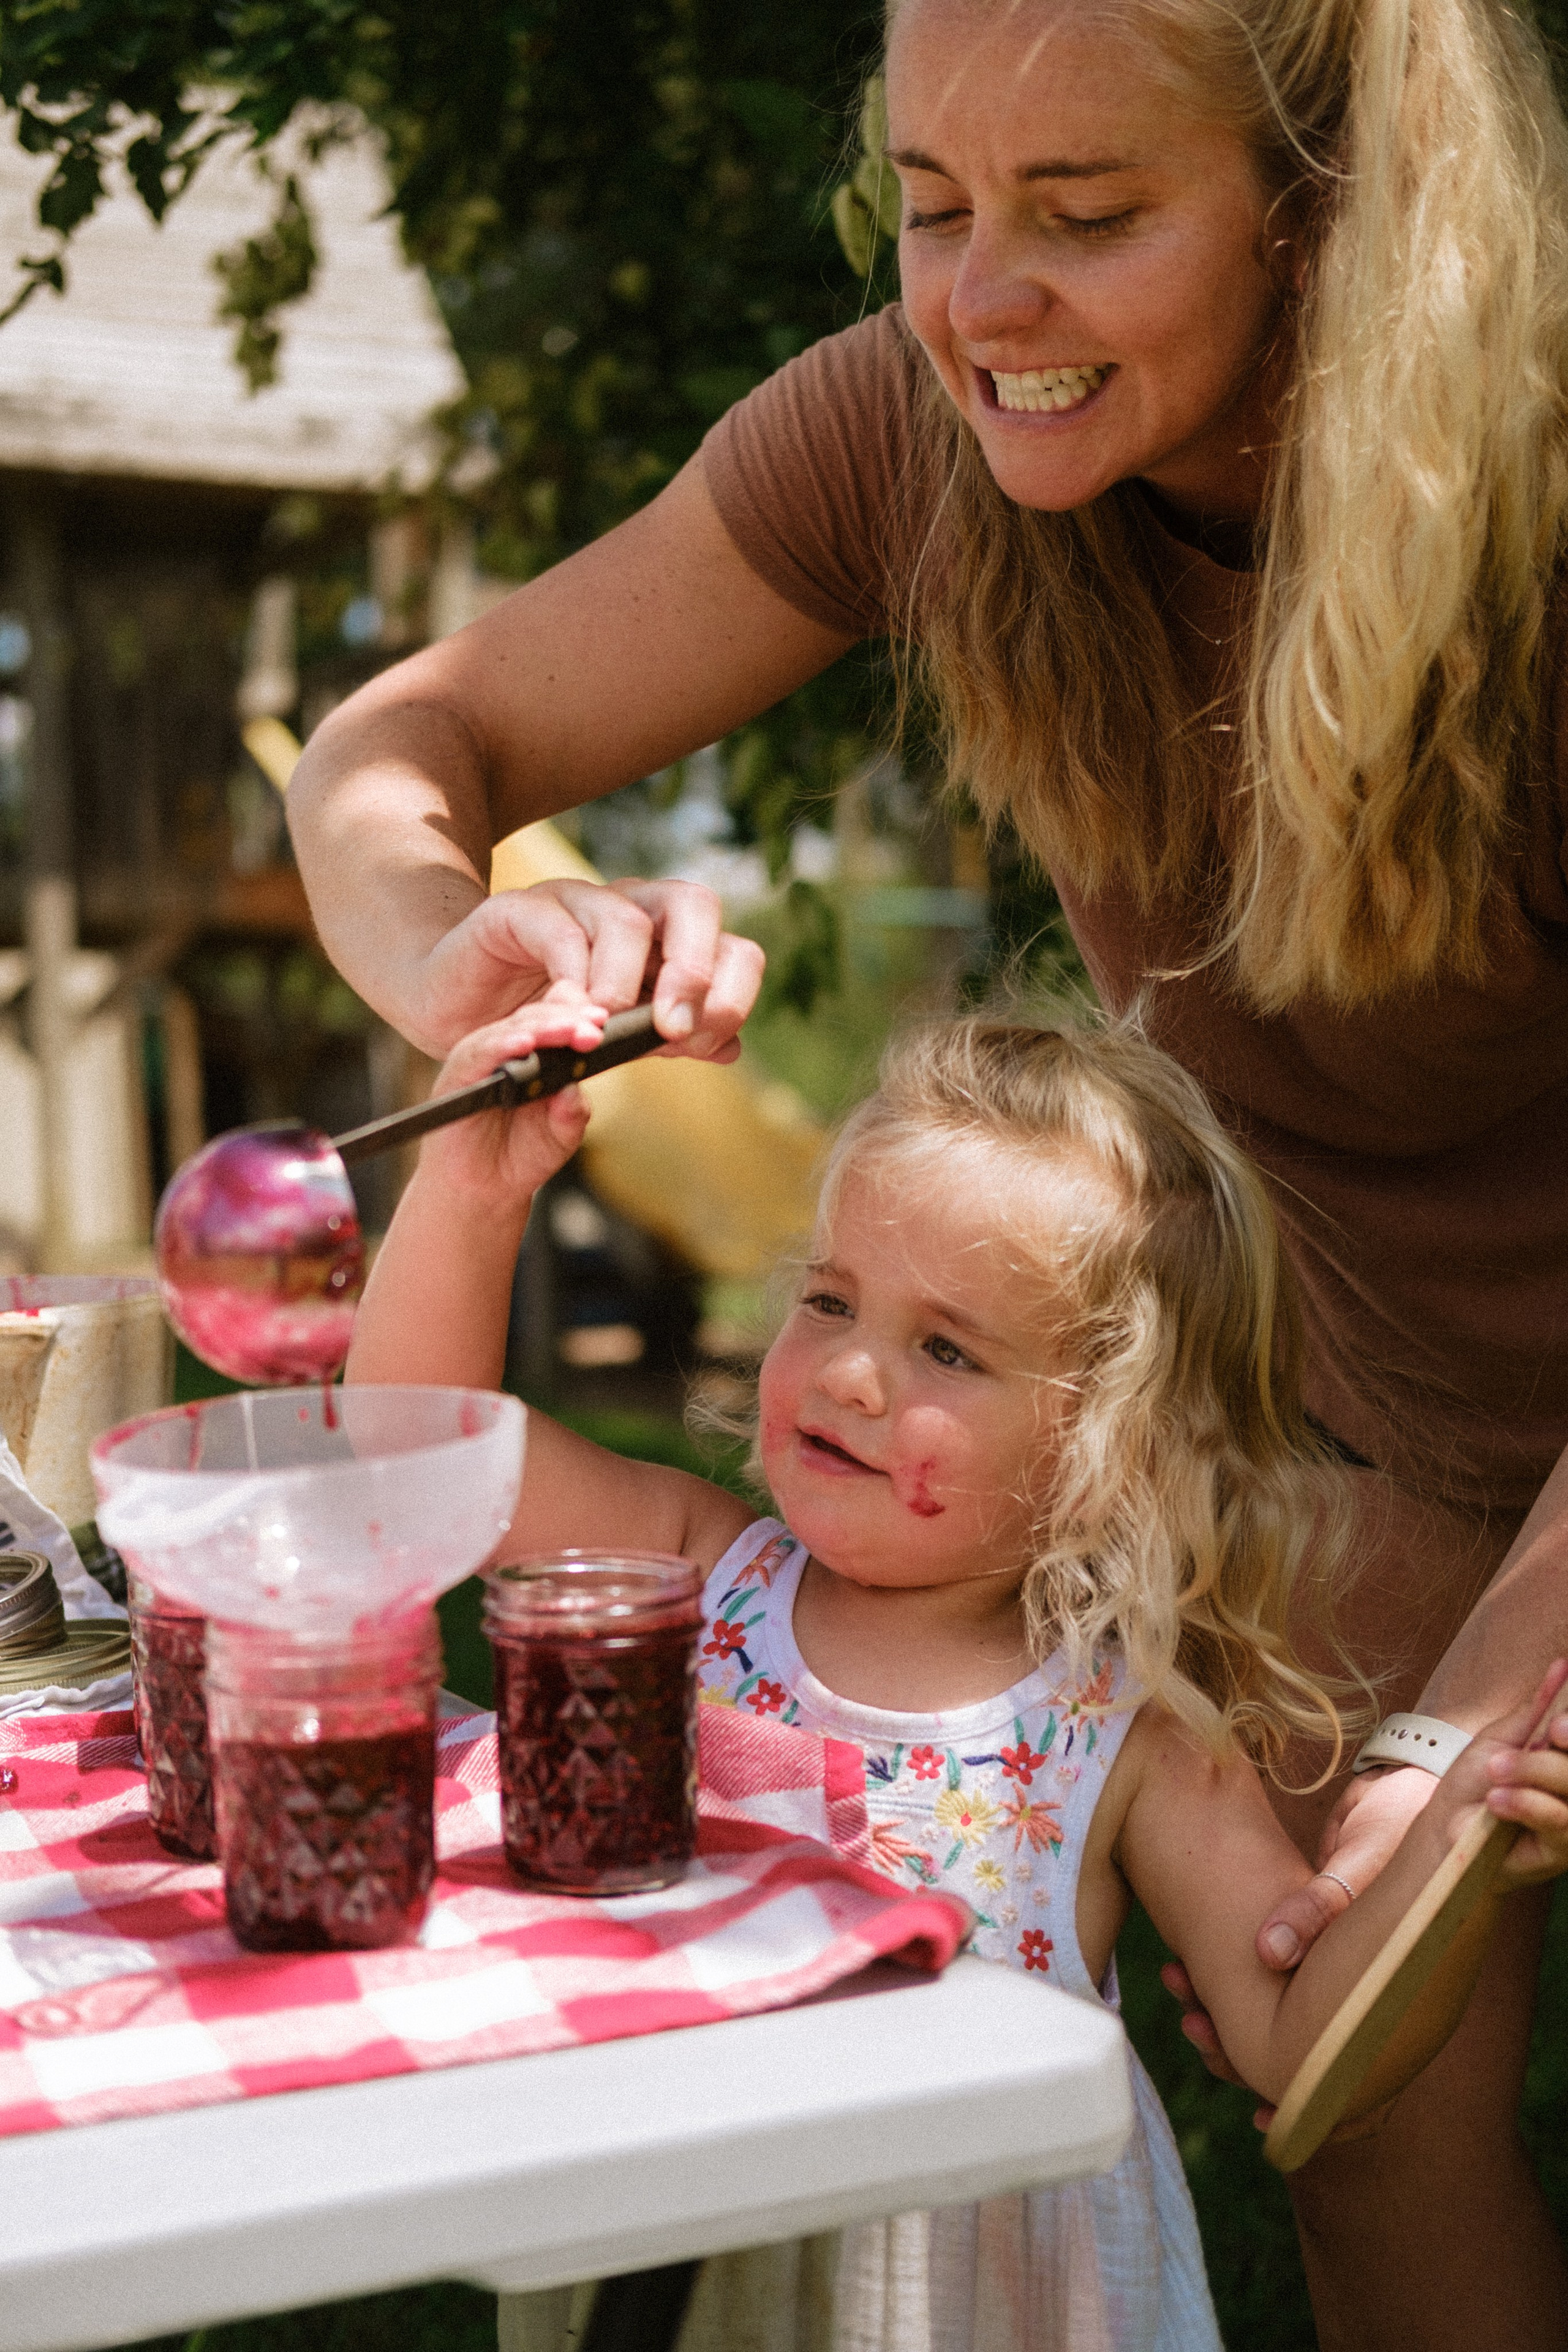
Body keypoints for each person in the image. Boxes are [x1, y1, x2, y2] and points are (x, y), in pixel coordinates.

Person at [286, 2, 1568, 2339]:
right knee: (1371, 2103)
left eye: (1085, 217)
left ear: (1337, 206)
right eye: (933, 205)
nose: (978, 305)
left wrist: (1445, 1747)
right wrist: (455, 955)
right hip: (1371, 1376)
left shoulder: (1543, 516)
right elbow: (407, 741)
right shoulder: (911, 422)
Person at [345, 987, 1568, 2352]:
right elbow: (411, 1463)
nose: (849, 1374)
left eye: (944, 1348)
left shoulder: (1128, 1732)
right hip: (678, 2234)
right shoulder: (699, 1577)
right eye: (827, 1300)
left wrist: (1454, 1839)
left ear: (1110, 1453)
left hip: (981, 2299)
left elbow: (1295, 2044)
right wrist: (465, 1190)